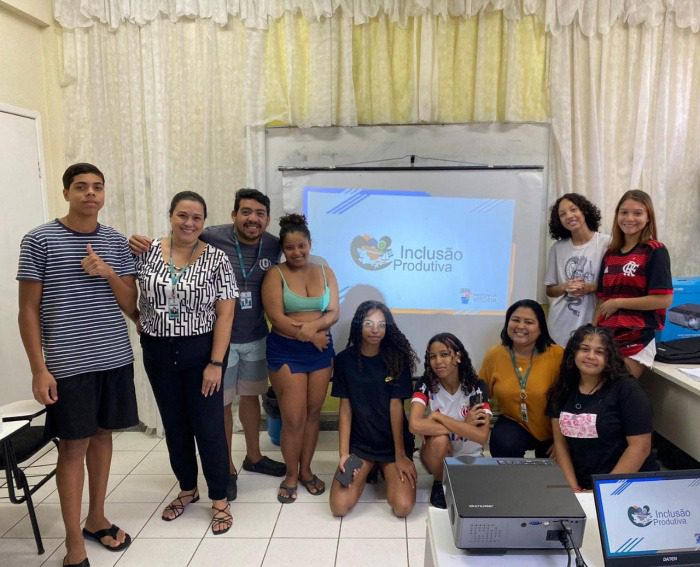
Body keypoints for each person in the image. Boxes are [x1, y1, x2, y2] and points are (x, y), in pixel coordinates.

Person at [17, 163, 139, 567]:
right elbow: (28, 310)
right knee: (73, 448)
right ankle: (74, 543)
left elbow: (130, 305)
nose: (90, 193)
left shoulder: (116, 242)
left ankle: (96, 517)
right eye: (82, 187)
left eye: (97, 187)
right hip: (68, 365)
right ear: (67, 192)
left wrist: (106, 272)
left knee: (103, 438)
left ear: (104, 194)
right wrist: (39, 367)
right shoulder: (39, 240)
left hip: (113, 357)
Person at [130, 188, 285, 502]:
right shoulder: (212, 237)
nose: (252, 219)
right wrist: (141, 244)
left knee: (251, 398)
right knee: (221, 407)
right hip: (218, 341)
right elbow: (173, 247)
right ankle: (226, 469)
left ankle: (253, 456)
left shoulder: (273, 244)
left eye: (259, 214)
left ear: (267, 219)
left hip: (255, 335)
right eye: (246, 211)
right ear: (233, 215)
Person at [135, 191, 237, 535]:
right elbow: (129, 291)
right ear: (170, 215)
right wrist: (137, 317)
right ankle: (187, 490)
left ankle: (219, 499)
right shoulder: (146, 252)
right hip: (158, 354)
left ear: (204, 222)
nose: (189, 223)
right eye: (183, 215)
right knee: (174, 426)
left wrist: (216, 363)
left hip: (201, 355)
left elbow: (225, 315)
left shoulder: (218, 259)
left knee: (209, 430)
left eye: (196, 218)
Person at [261, 213, 339, 503]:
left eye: (302, 246)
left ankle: (306, 471)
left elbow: (333, 312)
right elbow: (276, 317)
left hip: (319, 350)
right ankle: (291, 475)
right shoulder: (275, 274)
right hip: (286, 351)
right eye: (290, 247)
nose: (297, 252)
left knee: (312, 415)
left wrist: (315, 331)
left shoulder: (325, 271)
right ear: (283, 248)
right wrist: (309, 333)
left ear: (310, 244)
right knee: (293, 419)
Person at [329, 301, 417, 518]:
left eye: (381, 324)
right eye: (368, 323)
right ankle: (370, 468)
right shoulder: (344, 360)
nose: (375, 329)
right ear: (359, 325)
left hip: (391, 446)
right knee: (339, 506)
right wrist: (344, 455)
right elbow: (345, 409)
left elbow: (397, 408)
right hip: (360, 447)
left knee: (402, 507)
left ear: (388, 328)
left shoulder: (398, 359)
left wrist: (400, 455)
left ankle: (382, 468)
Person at [547, 325, 657, 491]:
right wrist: (573, 488)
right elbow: (560, 444)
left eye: (599, 352)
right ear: (573, 353)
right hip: (581, 483)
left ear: (609, 358)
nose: (591, 356)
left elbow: (640, 447)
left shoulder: (627, 389)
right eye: (584, 349)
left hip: (624, 484)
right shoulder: (562, 389)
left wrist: (603, 491)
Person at [594, 189, 673, 378]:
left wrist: (619, 302)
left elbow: (663, 299)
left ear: (648, 218)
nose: (630, 218)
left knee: (617, 395)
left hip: (636, 339)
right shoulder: (610, 253)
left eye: (637, 213)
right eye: (624, 212)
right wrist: (592, 333)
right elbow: (602, 300)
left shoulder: (655, 250)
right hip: (606, 338)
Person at [410, 333, 491, 509]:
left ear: (458, 356)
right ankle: (439, 483)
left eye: (444, 354)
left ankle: (457, 476)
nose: (438, 361)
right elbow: (415, 424)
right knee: (439, 440)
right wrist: (464, 427)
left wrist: (439, 418)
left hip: (469, 456)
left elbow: (482, 437)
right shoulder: (426, 383)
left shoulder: (476, 386)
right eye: (433, 356)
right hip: (436, 454)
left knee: (477, 504)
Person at [479, 299, 564, 458]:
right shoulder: (495, 355)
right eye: (515, 320)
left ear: (540, 328)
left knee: (553, 470)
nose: (520, 326)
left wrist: (563, 441)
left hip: (554, 427)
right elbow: (479, 393)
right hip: (515, 423)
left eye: (529, 322)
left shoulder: (558, 355)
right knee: (503, 442)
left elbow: (572, 398)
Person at [545, 193, 611, 346]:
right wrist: (564, 286)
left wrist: (591, 287)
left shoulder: (606, 243)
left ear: (584, 211)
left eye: (573, 209)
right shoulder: (557, 248)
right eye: (562, 214)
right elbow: (549, 290)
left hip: (591, 324)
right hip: (558, 326)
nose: (569, 215)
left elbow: (615, 285)